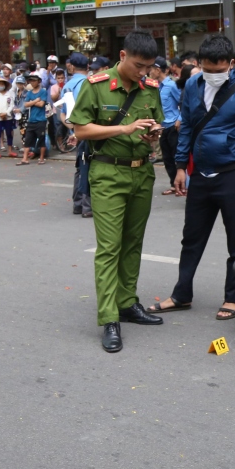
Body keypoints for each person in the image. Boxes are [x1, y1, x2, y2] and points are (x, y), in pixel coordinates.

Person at [148, 35, 235, 320]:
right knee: (191, 238)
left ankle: (231, 297)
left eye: (219, 69)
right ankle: (181, 294)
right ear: (199, 64)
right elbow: (186, 125)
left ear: (230, 64)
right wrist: (179, 167)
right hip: (199, 175)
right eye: (207, 68)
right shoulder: (191, 84)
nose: (213, 74)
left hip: (233, 175)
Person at [67, 30, 165, 352]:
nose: (144, 73)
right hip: (108, 172)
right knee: (109, 248)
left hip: (142, 173)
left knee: (133, 243)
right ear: (123, 56)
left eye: (148, 67)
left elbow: (156, 129)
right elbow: (81, 129)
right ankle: (109, 318)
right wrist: (123, 128)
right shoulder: (94, 86)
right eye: (139, 65)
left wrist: (153, 136)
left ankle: (127, 302)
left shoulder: (150, 90)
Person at [62, 53, 92, 215]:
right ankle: (87, 206)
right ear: (88, 67)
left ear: (71, 67)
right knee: (90, 166)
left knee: (80, 167)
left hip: (75, 131)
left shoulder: (67, 86)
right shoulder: (89, 84)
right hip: (89, 131)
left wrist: (73, 130)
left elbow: (62, 114)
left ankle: (78, 203)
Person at [155, 57, 181, 197]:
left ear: (158, 70)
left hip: (173, 127)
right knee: (167, 159)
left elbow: (182, 102)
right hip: (162, 127)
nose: (149, 72)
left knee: (177, 157)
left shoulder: (171, 86)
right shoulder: (157, 87)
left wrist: (180, 119)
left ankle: (182, 185)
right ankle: (173, 184)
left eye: (151, 69)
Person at [17, 74, 49, 165]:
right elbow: (26, 105)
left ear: (38, 81)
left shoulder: (43, 91)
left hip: (41, 119)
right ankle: (25, 158)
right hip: (31, 119)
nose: (32, 82)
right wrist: (35, 101)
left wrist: (31, 102)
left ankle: (41, 158)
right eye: (31, 81)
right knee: (28, 140)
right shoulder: (29, 92)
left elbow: (41, 104)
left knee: (41, 139)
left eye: (34, 81)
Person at [0, 76, 17, 158]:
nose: (1, 85)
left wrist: (6, 113)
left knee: (9, 133)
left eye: (2, 84)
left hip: (7, 117)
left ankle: (10, 150)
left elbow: (11, 105)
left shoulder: (9, 94)